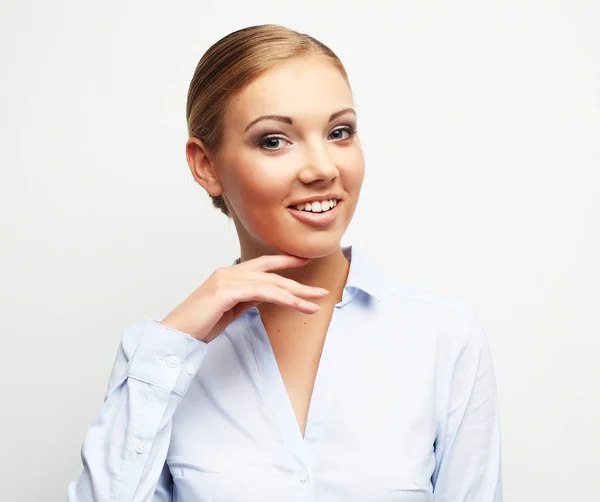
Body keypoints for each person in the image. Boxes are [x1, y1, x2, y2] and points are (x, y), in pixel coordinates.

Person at [68, 24, 502, 502]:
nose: (322, 168)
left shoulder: (443, 337)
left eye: (340, 132)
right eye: (274, 140)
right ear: (206, 166)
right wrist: (176, 342)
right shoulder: (157, 357)